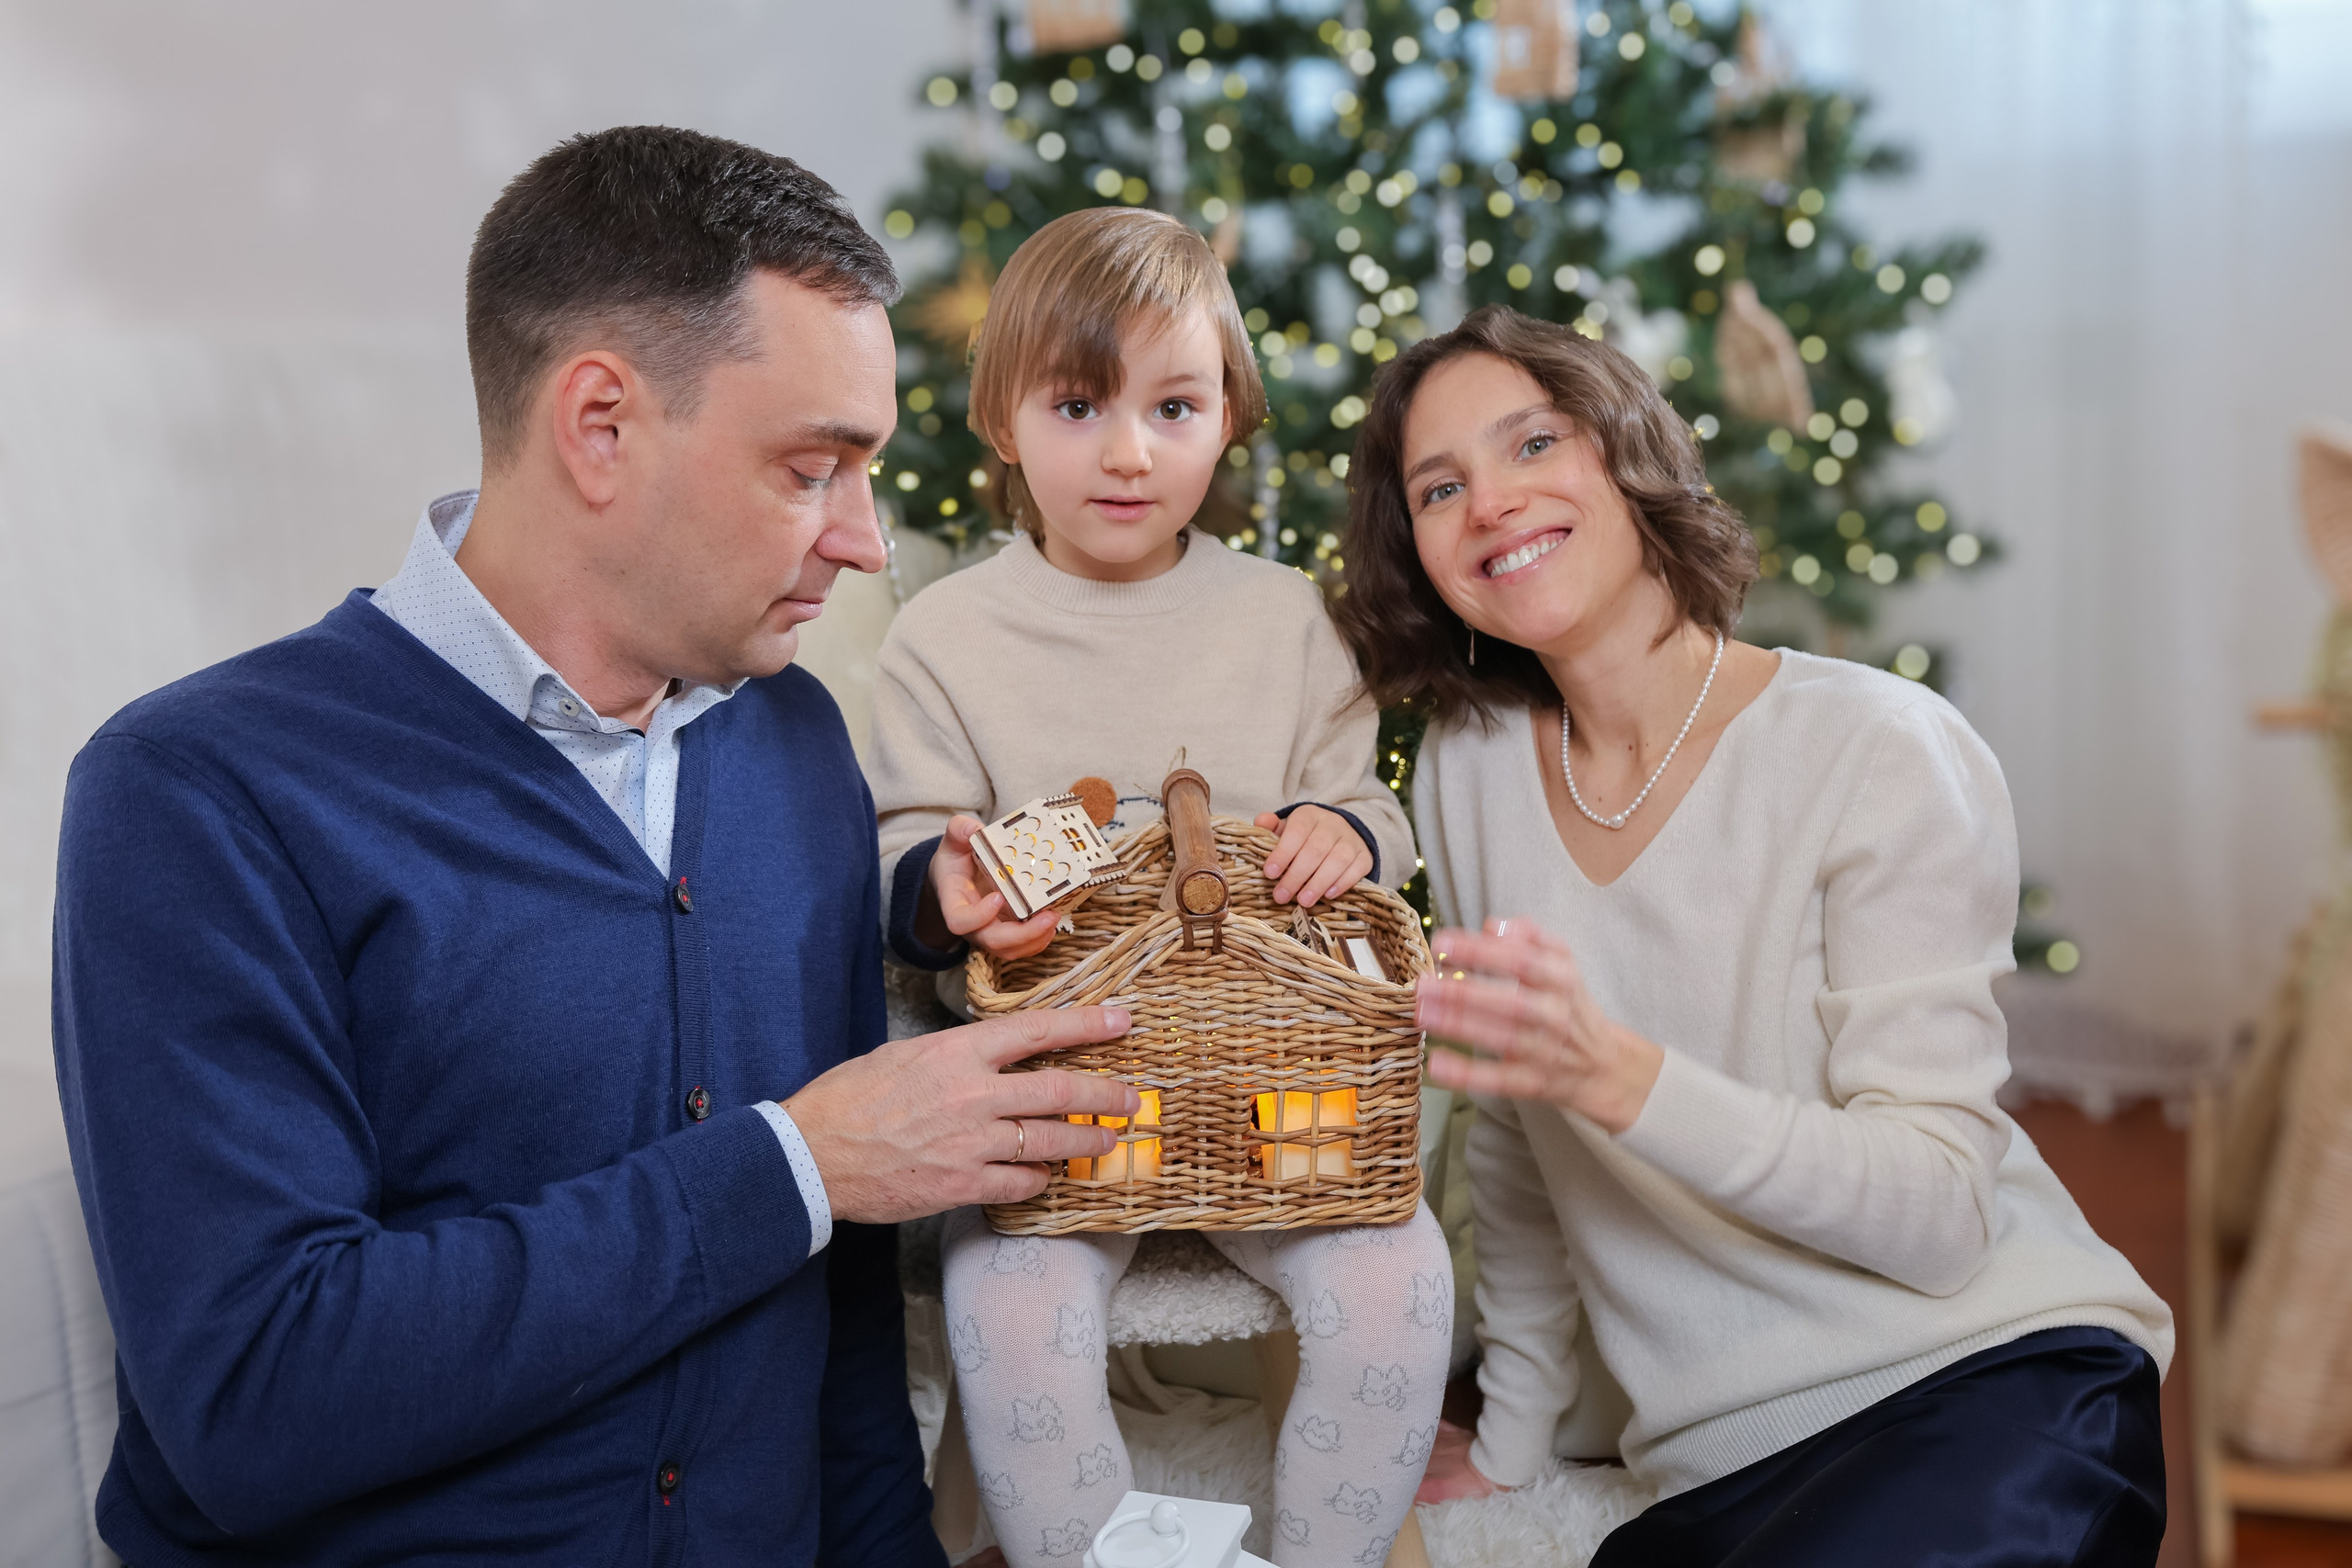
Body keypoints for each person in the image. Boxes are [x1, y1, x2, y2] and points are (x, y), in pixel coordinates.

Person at [49, 127, 1141, 1568]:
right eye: (815, 468)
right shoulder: (198, 793)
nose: (867, 541)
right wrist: (793, 1165)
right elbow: (257, 1400)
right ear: (602, 426)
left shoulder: (794, 742)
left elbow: (844, 1350)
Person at [1332, 305, 2176, 1565]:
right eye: (1440, 487)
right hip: (1713, 1461)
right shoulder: (1470, 767)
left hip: (1985, 1386)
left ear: (1628, 454)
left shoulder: (1880, 749)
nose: (1492, 503)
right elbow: (1511, 1141)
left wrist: (1618, 1078)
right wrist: (1511, 1451)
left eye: (1532, 444)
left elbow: (1942, 1214)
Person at [864, 207, 1452, 1568]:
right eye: (1079, 406)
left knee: (1399, 1284)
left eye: (1174, 406)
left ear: (1231, 414)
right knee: (1008, 1313)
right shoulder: (946, 638)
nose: (1130, 452)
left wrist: (1352, 835)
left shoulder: (1290, 620)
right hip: (1062, 1099)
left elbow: (1370, 811)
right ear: (1003, 423)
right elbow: (902, 855)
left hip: (1284, 1090)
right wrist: (944, 890)